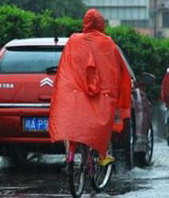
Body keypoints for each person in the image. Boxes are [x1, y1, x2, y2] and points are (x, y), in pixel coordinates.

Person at [48, 9, 132, 166]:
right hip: (100, 96)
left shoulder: (73, 40)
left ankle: (70, 156)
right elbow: (115, 71)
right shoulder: (108, 42)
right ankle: (101, 155)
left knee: (73, 127)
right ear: (101, 24)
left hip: (74, 94)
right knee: (103, 125)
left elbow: (65, 68)